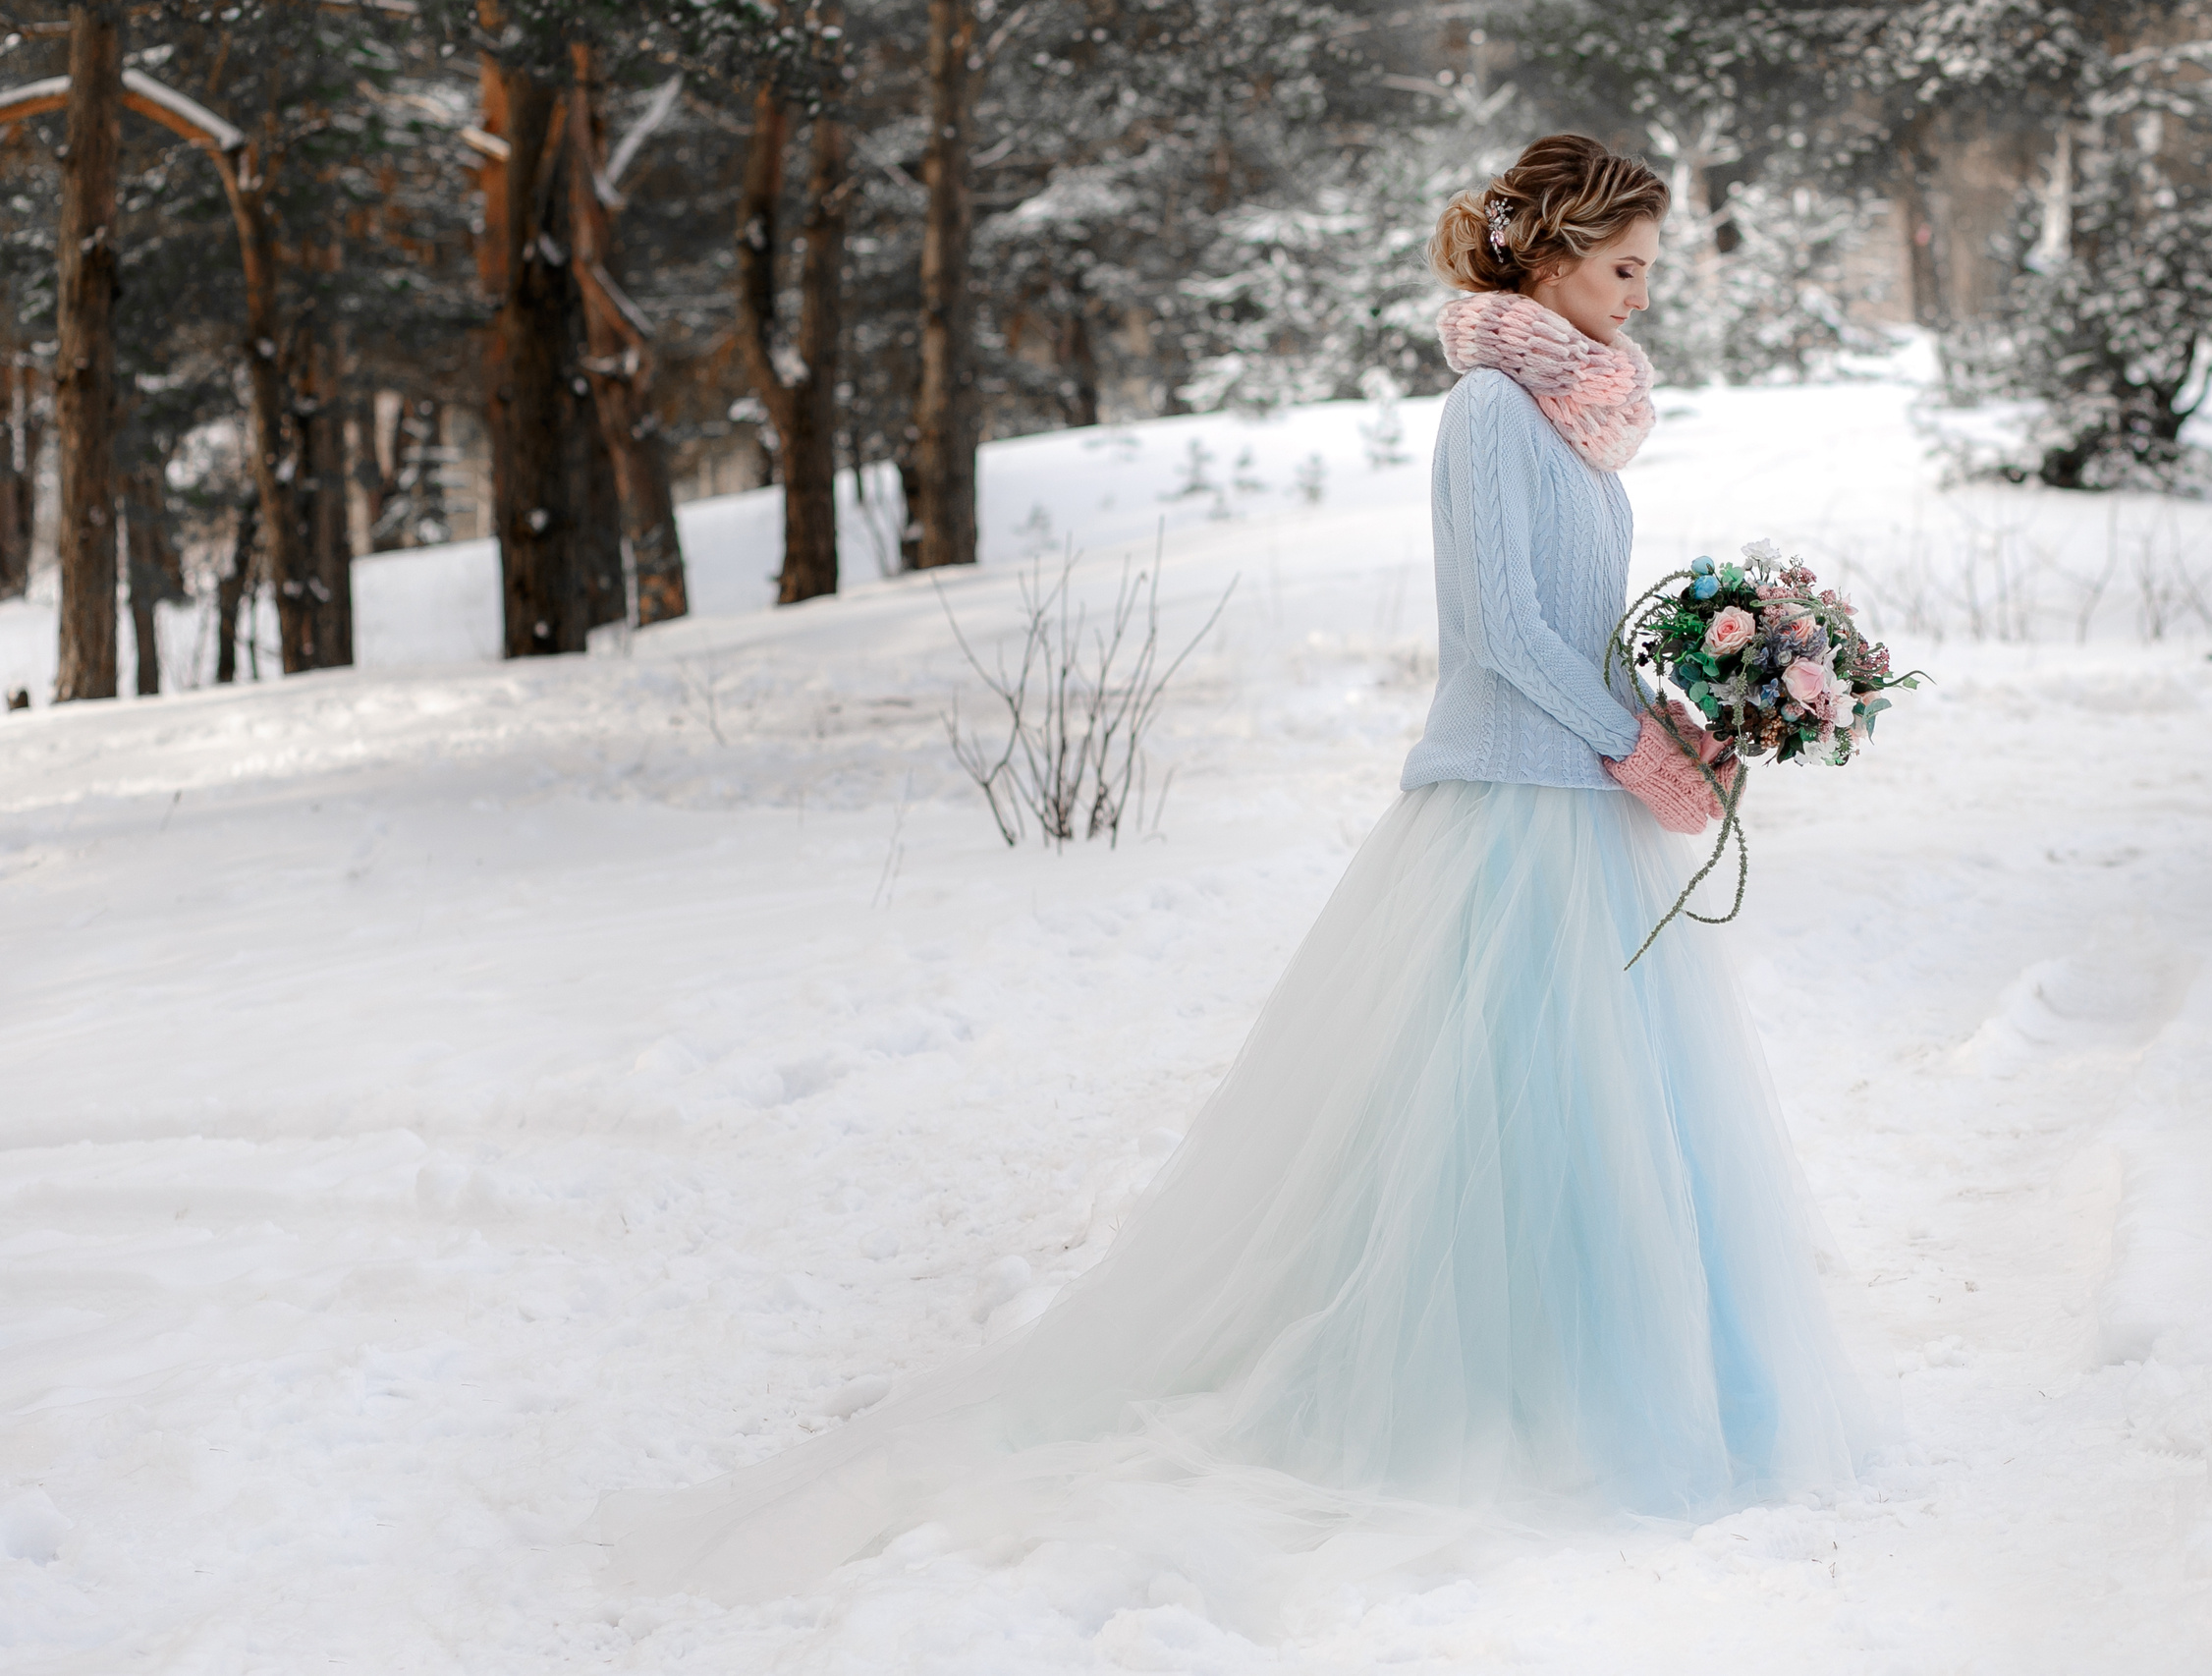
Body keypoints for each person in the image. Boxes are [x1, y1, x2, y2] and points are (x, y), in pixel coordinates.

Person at [602, 134, 1879, 1616]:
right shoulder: (1487, 412)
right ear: (1546, 254)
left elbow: (1584, 627)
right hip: (1506, 809)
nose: (1638, 300)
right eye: (1621, 269)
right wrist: (1628, 745)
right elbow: (1503, 636)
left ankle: (1612, 1378)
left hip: (1584, 801)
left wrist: (1680, 720)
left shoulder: (1580, 419)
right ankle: (1462, 1393)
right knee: (1479, 1130)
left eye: (1649, 273)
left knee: (1611, 1124)